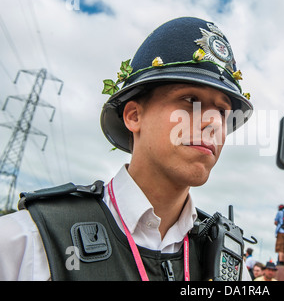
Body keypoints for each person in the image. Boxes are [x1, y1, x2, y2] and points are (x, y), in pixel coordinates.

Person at [0, 17, 253, 281]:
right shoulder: (32, 240)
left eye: (223, 112)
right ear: (133, 116)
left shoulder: (229, 267)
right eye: (190, 100)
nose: (213, 122)